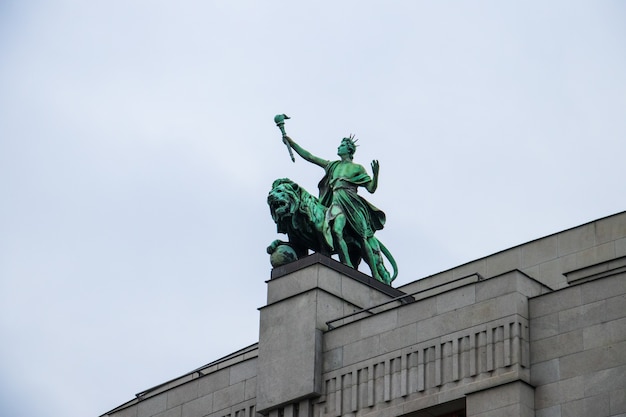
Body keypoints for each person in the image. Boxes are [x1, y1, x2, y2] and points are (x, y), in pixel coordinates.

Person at [283, 135, 390, 283]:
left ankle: (375, 274)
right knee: (336, 230)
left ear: (349, 149)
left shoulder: (357, 168)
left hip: (352, 203)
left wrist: (376, 175)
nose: (339, 147)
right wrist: (291, 142)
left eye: (342, 145)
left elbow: (371, 189)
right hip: (337, 202)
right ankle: (347, 264)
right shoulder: (333, 166)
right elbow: (309, 156)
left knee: (362, 237)